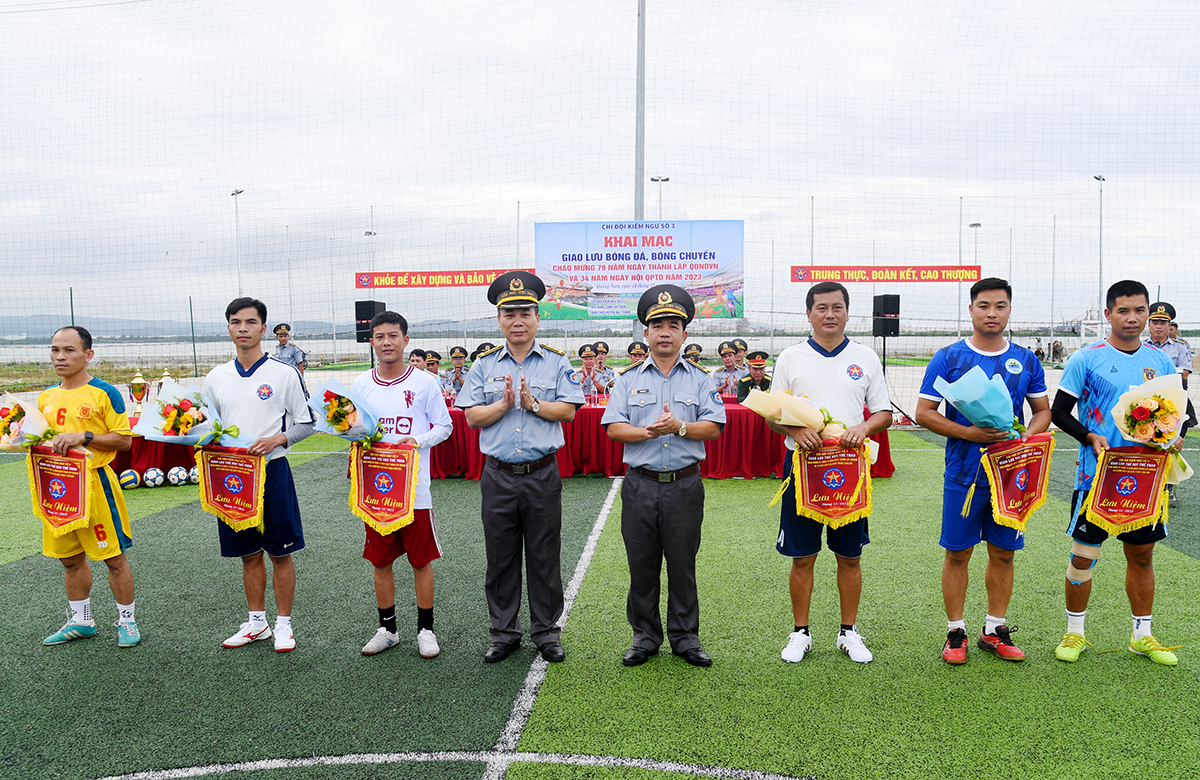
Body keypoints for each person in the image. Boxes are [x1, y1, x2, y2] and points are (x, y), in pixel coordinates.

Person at [914, 278, 1051, 664]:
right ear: (971, 309)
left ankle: (994, 629)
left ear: (1009, 310)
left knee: (1004, 553)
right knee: (958, 553)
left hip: (1011, 477)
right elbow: (924, 413)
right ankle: (955, 631)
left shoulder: (1026, 359)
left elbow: (1042, 411)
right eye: (984, 306)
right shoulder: (949, 357)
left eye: (1000, 306)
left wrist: (1024, 438)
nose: (992, 313)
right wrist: (970, 433)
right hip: (964, 473)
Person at [1050, 280, 1183, 666]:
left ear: (1148, 314)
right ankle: (1074, 633)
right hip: (1096, 477)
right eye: (1123, 311)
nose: (1132, 318)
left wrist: (1173, 436)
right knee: (1083, 558)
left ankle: (1142, 636)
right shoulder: (1086, 358)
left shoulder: (1161, 362)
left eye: (1139, 310)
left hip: (1146, 478)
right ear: (1108, 314)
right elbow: (1059, 412)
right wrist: (1089, 436)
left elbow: (1175, 413)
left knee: (1142, 557)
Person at [456, 271, 583, 664]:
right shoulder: (483, 365)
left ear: (537, 318)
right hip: (498, 475)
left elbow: (569, 411)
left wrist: (533, 404)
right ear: (499, 320)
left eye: (525, 313)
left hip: (542, 474)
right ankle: (504, 633)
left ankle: (546, 632)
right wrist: (503, 405)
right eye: (509, 314)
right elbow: (472, 417)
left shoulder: (557, 362)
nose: (517, 321)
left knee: (544, 556)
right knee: (500, 558)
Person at [766, 281, 891, 664]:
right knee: (802, 557)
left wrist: (864, 428)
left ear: (847, 312)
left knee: (849, 557)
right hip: (803, 470)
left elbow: (884, 413)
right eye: (822, 308)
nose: (830, 314)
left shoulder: (865, 357)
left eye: (837, 307)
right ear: (809, 314)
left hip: (849, 472)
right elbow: (771, 414)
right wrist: (794, 430)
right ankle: (800, 633)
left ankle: (848, 632)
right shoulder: (791, 357)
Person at [603, 285, 725, 667]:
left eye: (673, 325)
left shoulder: (701, 379)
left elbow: (714, 426)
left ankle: (686, 638)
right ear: (646, 333)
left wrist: (680, 427)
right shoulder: (627, 379)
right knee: (641, 565)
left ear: (684, 334)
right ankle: (645, 637)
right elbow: (613, 427)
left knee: (682, 565)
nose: (665, 333)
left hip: (684, 485)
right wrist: (649, 432)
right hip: (640, 484)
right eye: (658, 326)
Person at [206, 297, 315, 652]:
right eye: (236, 322)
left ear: (263, 328)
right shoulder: (216, 377)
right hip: (233, 478)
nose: (243, 328)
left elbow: (307, 423)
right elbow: (208, 427)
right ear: (228, 328)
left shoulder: (284, 374)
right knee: (248, 554)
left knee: (280, 553)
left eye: (251, 322)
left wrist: (277, 439)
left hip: (272, 472)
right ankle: (257, 623)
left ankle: (284, 625)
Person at [352, 311, 453, 658]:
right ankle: (388, 630)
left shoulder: (425, 383)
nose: (386, 343)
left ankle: (426, 629)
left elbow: (445, 426)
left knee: (420, 561)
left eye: (393, 336)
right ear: (372, 342)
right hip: (376, 491)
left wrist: (417, 441)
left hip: (414, 491)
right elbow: (354, 429)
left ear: (405, 340)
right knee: (380, 562)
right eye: (379, 337)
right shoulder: (361, 384)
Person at [38, 326, 139, 648]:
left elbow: (124, 440)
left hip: (96, 485)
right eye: (55, 350)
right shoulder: (45, 397)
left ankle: (127, 622)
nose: (60, 357)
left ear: (88, 354)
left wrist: (85, 436)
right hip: (58, 487)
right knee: (69, 559)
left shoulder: (104, 392)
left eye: (69, 350)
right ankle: (81, 621)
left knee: (113, 558)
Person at [273, 323, 308, 394]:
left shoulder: (294, 348)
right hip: (282, 378)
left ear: (288, 336)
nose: (283, 338)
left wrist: (300, 379)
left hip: (292, 378)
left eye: (285, 336)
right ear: (277, 337)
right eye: (281, 336)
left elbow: (300, 364)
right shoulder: (277, 348)